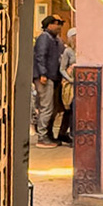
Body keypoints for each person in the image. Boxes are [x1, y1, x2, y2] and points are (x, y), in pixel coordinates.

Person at [32, 13, 66, 144]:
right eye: (57, 23)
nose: (59, 26)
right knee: (46, 107)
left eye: (61, 24)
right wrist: (43, 74)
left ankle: (48, 133)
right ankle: (42, 135)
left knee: (53, 108)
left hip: (54, 77)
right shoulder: (44, 38)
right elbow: (40, 56)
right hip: (46, 77)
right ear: (49, 24)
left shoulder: (57, 40)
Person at [52, 27, 77, 146]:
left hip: (80, 83)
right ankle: (70, 134)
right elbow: (62, 68)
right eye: (75, 37)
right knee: (70, 109)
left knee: (73, 109)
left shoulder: (82, 51)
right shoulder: (68, 51)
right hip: (70, 85)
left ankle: (64, 133)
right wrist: (69, 79)